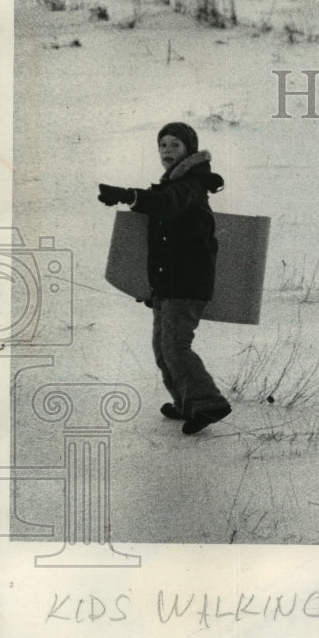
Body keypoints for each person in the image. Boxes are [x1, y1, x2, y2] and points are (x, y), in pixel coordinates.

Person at [98, 122, 232, 434]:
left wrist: (129, 195)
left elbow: (166, 206)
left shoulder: (190, 185)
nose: (168, 150)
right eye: (163, 145)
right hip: (170, 283)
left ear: (190, 150)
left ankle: (209, 402)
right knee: (163, 347)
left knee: (175, 346)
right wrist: (150, 286)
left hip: (187, 283)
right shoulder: (175, 185)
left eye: (175, 145)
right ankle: (188, 403)